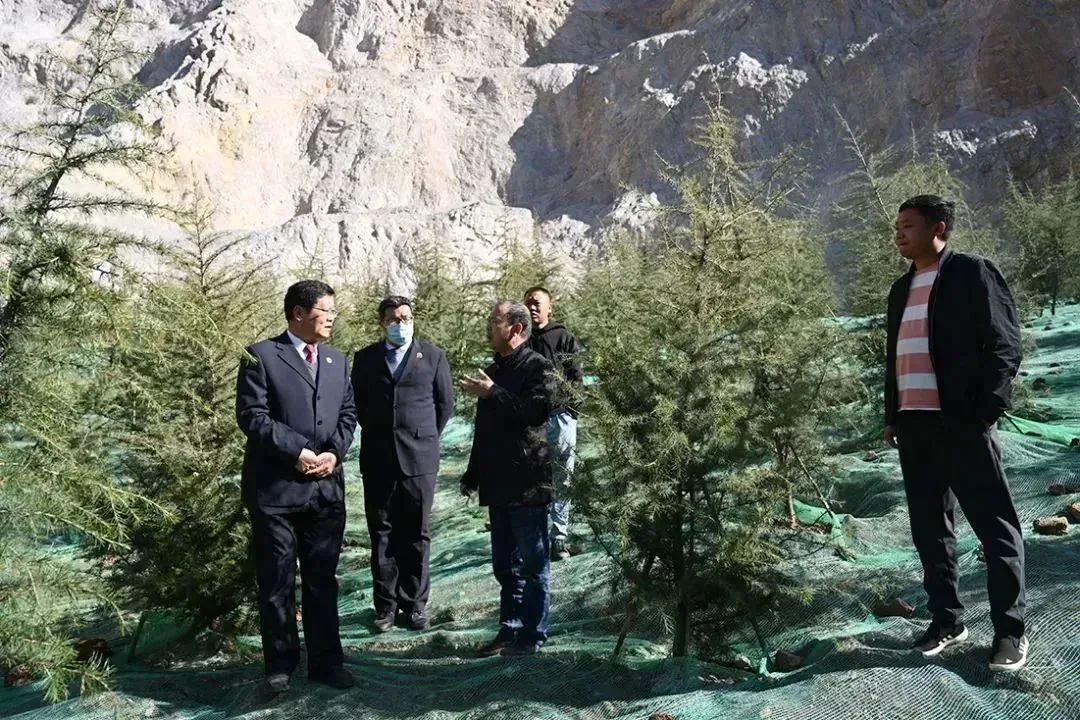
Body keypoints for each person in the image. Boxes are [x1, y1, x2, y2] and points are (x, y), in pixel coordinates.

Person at [883, 195, 1028, 672]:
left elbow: (1005, 344)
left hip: (962, 423)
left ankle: (1010, 632)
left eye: (907, 225)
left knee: (994, 526)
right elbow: (895, 356)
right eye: (897, 226)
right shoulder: (900, 289)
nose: (898, 233)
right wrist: (892, 414)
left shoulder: (971, 273)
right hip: (915, 426)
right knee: (929, 530)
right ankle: (947, 620)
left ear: (938, 228)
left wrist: (986, 411)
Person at [236, 280, 357, 694]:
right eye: (326, 311)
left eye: (333, 311)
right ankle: (280, 665)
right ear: (299, 313)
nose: (331, 318)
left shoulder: (337, 361)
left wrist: (334, 453)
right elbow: (253, 416)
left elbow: (348, 413)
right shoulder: (261, 356)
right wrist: (298, 451)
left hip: (325, 490)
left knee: (322, 579)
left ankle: (327, 663)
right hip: (277, 492)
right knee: (277, 581)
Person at [351, 296, 454, 633]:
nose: (401, 324)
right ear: (383, 323)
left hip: (419, 458)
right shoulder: (366, 358)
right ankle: (385, 607)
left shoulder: (433, 356)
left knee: (416, 533)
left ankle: (415, 605)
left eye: (406, 317)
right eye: (394, 319)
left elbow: (444, 405)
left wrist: (422, 436)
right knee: (382, 533)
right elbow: (358, 405)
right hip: (378, 458)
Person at [459, 301, 556, 656]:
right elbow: (483, 430)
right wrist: (472, 474)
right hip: (497, 483)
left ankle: (532, 634)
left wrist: (494, 393)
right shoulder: (491, 370)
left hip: (527, 483)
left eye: (494, 320)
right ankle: (509, 628)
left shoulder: (538, 367)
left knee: (533, 565)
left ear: (516, 328)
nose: (488, 326)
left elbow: (535, 412)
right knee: (505, 566)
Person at [523, 286, 583, 561]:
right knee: (532, 478)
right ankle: (532, 539)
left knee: (562, 476)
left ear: (550, 307)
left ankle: (558, 537)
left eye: (537, 303)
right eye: (528, 303)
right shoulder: (520, 338)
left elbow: (575, 376)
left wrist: (569, 410)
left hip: (559, 417)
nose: (532, 307)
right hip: (528, 421)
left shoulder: (563, 337)